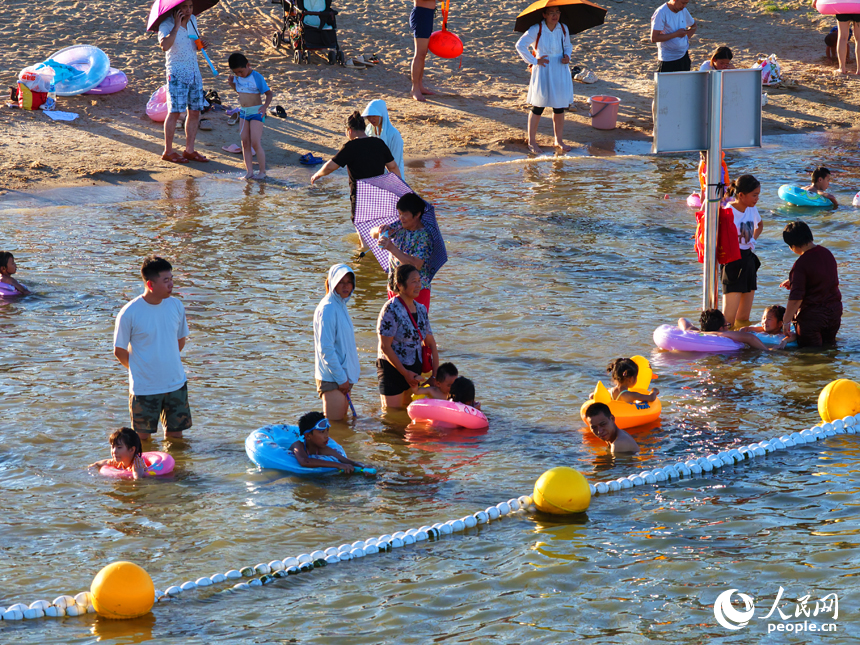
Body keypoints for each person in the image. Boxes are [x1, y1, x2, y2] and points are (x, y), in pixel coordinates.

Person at [114, 256, 191, 441]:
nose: (171, 284)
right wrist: (141, 370)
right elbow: (119, 350)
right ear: (150, 283)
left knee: (176, 438)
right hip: (144, 388)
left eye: (172, 278)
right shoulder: (129, 312)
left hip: (176, 384)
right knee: (142, 441)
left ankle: (178, 470)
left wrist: (165, 360)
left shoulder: (176, 306)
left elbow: (180, 340)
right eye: (166, 280)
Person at [310, 111, 401, 221]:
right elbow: (393, 167)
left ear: (349, 130)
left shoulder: (350, 147)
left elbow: (331, 166)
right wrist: (399, 187)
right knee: (378, 224)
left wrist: (317, 174)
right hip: (378, 193)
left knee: (360, 224)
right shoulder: (379, 143)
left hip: (360, 195)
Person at [377, 264, 439, 409]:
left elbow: (431, 343)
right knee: (392, 417)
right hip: (392, 369)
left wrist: (435, 376)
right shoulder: (390, 309)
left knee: (408, 415)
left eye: (419, 280)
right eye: (414, 281)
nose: (419, 285)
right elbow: (385, 347)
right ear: (399, 285)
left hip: (414, 369)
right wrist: (404, 373)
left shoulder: (421, 309)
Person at [515, 6, 574, 154]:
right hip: (543, 69)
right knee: (538, 106)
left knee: (559, 107)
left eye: (557, 12)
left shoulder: (563, 28)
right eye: (551, 13)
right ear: (544, 15)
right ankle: (532, 141)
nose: (555, 16)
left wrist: (567, 56)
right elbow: (520, 45)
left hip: (560, 69)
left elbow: (568, 46)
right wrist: (534, 60)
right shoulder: (537, 29)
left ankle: (558, 140)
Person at [157, 0, 209, 164]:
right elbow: (165, 46)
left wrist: (201, 44)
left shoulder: (193, 20)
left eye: (190, 6)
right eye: (184, 7)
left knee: (195, 112)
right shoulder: (166, 25)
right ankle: (168, 151)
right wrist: (177, 25)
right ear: (176, 9)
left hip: (194, 72)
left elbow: (193, 43)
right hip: (177, 73)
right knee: (174, 112)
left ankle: (189, 150)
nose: (188, 10)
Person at [780, 221, 842, 347]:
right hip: (834, 313)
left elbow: (796, 299)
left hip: (812, 318)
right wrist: (794, 281)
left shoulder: (801, 264)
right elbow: (824, 280)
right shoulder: (827, 253)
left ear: (793, 245)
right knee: (830, 349)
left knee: (810, 356)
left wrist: (786, 322)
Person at [313, 264, 360, 422]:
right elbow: (326, 349)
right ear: (333, 282)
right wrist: (341, 379)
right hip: (333, 378)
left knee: (343, 428)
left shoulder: (340, 304)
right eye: (341, 282)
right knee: (335, 430)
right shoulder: (328, 308)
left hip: (342, 377)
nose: (346, 286)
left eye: (349, 282)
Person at [371, 192, 434, 310]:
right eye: (399, 214)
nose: (401, 218)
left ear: (417, 215)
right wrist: (380, 230)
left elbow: (416, 264)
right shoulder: (400, 225)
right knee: (394, 324)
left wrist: (391, 248)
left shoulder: (424, 236)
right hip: (395, 285)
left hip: (415, 290)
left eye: (404, 214)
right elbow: (372, 233)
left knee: (414, 326)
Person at [722, 174, 763, 327]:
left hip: (748, 260)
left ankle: (742, 348)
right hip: (733, 262)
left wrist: (753, 238)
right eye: (754, 195)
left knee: (744, 318)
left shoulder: (752, 209)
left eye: (758, 195)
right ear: (741, 195)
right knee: (728, 320)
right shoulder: (728, 212)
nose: (756, 199)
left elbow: (760, 225)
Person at [227, 52, 273, 180]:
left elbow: (269, 94)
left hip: (256, 112)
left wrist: (264, 107)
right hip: (243, 112)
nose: (239, 75)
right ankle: (249, 172)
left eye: (241, 71)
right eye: (236, 73)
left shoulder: (257, 77)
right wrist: (232, 83)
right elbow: (241, 91)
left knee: (255, 142)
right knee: (245, 142)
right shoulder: (237, 78)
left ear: (248, 65)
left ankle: (262, 171)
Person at [290, 412, 369, 473]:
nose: (326, 436)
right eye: (322, 432)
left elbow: (347, 461)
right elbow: (305, 461)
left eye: (327, 431)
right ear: (308, 436)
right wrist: (339, 465)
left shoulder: (322, 449)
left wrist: (364, 466)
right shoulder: (298, 445)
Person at [678, 310, 769, 350]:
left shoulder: (694, 332)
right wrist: (768, 351)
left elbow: (682, 319)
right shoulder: (724, 335)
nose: (728, 327)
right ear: (721, 328)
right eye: (727, 325)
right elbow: (750, 338)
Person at [650, 0, 696, 72]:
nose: (684, 6)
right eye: (683, 3)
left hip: (684, 56)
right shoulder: (661, 12)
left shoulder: (683, 11)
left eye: (686, 3)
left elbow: (693, 26)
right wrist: (676, 34)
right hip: (668, 59)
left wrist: (686, 38)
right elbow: (654, 38)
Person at [362, 99, 405, 177]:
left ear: (382, 114)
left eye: (374, 116)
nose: (371, 119)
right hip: (374, 175)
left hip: (393, 177)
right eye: (369, 116)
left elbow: (395, 163)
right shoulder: (368, 130)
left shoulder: (394, 135)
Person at [410, 0, 437, 101]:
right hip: (422, 14)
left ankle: (419, 86)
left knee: (423, 53)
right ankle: (415, 88)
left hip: (427, 14)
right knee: (419, 54)